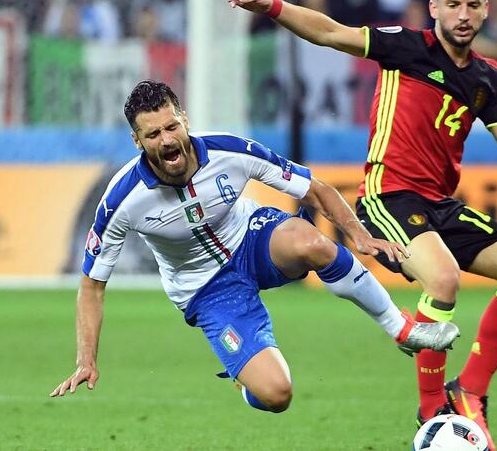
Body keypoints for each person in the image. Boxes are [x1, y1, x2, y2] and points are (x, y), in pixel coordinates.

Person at [228, 0, 497, 448]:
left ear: (485, 10)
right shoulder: (406, 48)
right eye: (452, 5)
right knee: (443, 282)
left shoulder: (488, 77)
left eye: (471, 5)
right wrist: (273, 6)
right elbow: (329, 33)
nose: (462, 15)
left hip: (440, 204)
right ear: (434, 8)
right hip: (389, 195)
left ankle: (469, 391)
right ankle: (430, 412)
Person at [48, 81, 460, 414]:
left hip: (251, 237)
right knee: (277, 395)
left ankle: (400, 329)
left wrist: (358, 234)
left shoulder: (230, 150)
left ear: (184, 119)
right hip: (204, 290)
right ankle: (248, 381)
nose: (167, 140)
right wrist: (87, 359)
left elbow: (314, 189)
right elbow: (92, 285)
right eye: (153, 134)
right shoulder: (122, 199)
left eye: (172, 126)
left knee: (311, 242)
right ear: (137, 141)